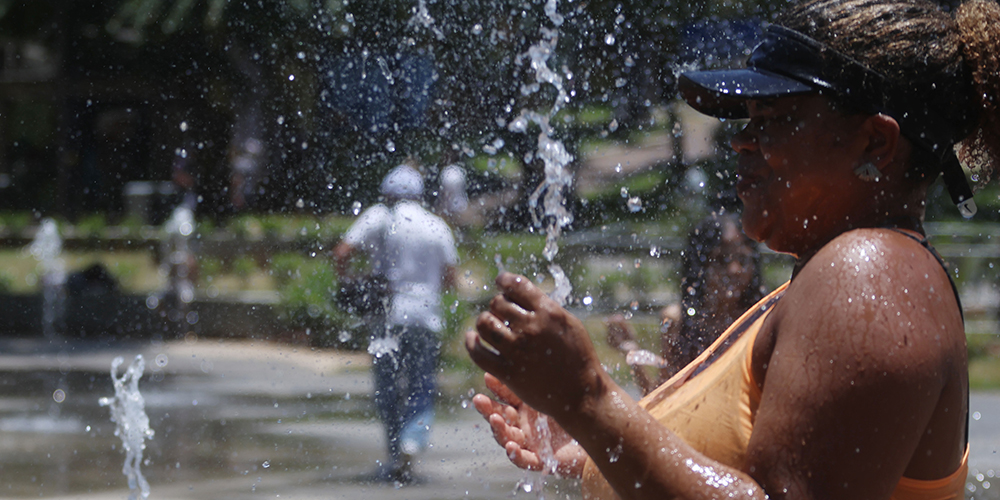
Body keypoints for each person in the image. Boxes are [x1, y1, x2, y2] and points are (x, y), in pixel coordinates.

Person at [465, 0, 999, 498]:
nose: (742, 140)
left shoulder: (870, 276)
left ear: (875, 144)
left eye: (774, 120)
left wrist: (590, 399)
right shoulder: (825, 279)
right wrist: (585, 443)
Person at [334, 161, 458, 484]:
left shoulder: (379, 216)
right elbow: (450, 279)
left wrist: (351, 281)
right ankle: (412, 441)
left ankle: (394, 453)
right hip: (426, 316)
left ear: (387, 193)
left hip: (387, 316)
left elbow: (342, 251)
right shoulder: (437, 226)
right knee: (421, 381)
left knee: (387, 386)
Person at [606, 211, 764, 394]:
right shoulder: (678, 323)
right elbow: (660, 399)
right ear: (700, 267)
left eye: (743, 260)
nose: (734, 270)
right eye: (722, 260)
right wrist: (631, 351)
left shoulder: (761, 319)